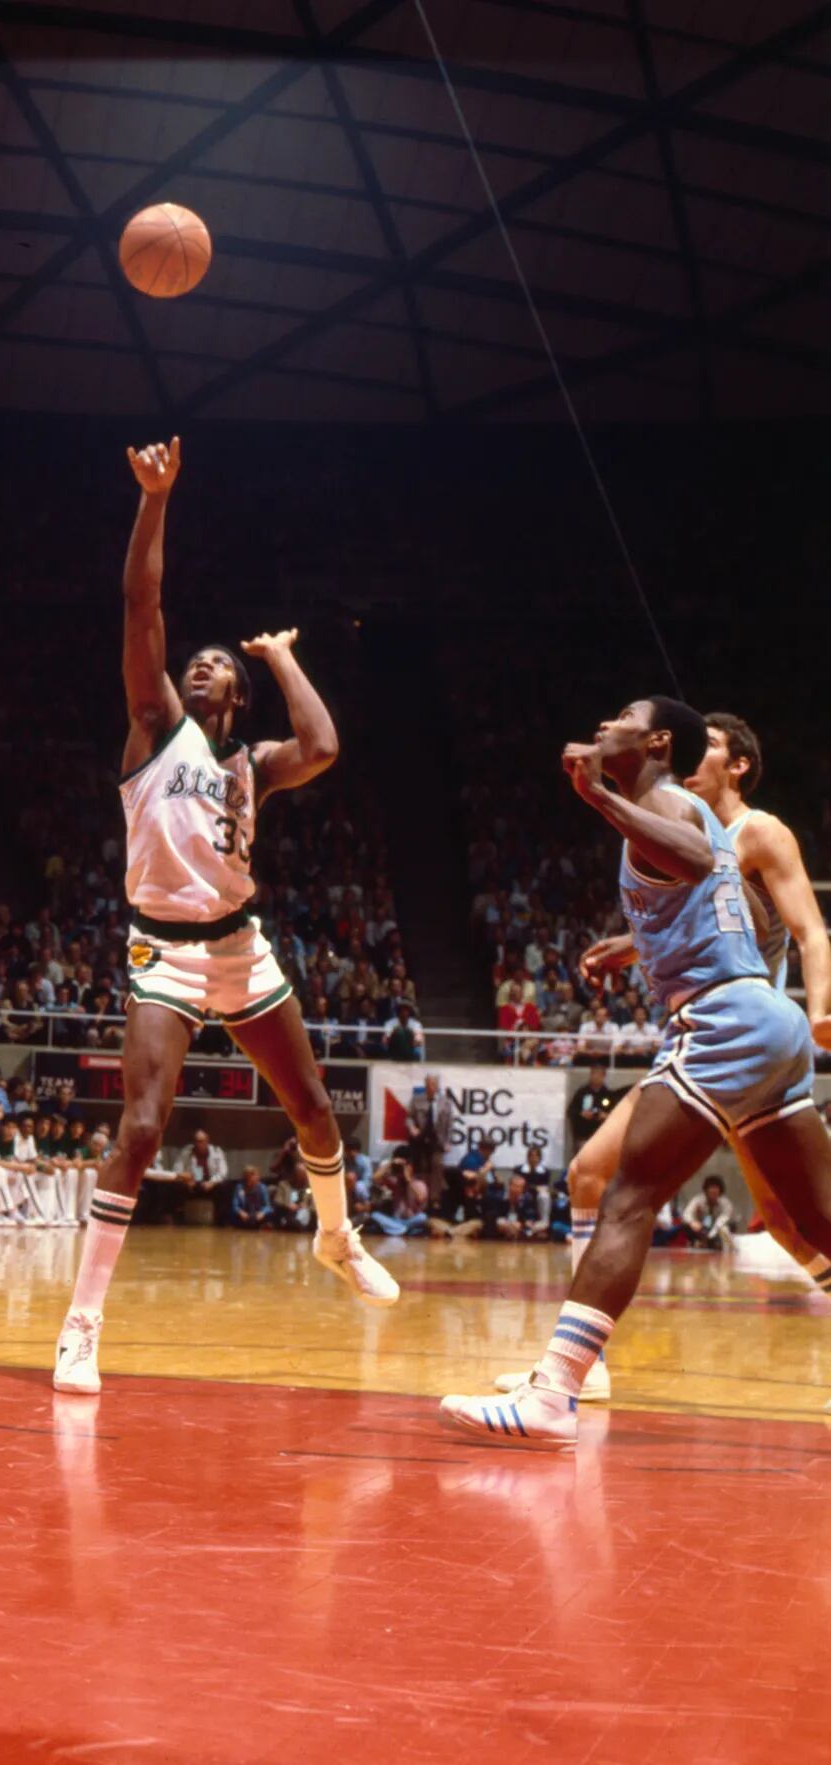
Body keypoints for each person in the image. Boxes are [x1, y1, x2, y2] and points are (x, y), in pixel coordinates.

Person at [54, 438, 396, 1396]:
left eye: (213, 667)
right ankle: (83, 1323)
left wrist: (283, 658)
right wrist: (154, 501)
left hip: (241, 949)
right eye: (192, 664)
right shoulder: (155, 728)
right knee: (142, 1125)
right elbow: (139, 606)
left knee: (316, 1108)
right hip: (163, 950)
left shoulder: (254, 764)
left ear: (234, 693)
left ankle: (337, 1237)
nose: (197, 669)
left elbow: (324, 744)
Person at [446, 697, 831, 1447]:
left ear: (658, 740)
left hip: (725, 1023)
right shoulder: (685, 808)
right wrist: (638, 942)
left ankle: (554, 1392)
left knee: (628, 1194)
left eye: (622, 715)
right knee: (812, 1221)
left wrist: (600, 795)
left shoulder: (666, 805)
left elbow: (692, 861)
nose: (602, 722)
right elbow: (714, 890)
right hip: (765, 1022)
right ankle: (565, 1380)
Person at [682, 1175, 739, 1250]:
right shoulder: (698, 1200)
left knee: (727, 1227)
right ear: (706, 1190)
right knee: (686, 1225)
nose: (713, 1191)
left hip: (719, 1228)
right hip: (704, 1226)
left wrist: (711, 1234)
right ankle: (697, 1242)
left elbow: (723, 1220)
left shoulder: (725, 1203)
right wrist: (693, 1222)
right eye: (711, 1188)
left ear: (720, 1190)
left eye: (716, 1188)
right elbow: (687, 1213)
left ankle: (719, 1243)